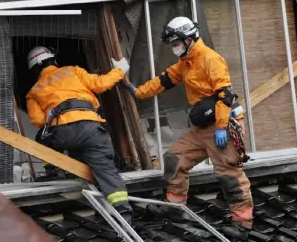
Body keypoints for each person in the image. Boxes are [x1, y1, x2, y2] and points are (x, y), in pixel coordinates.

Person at [115, 16, 253, 237]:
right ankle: (175, 209)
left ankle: (242, 226)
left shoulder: (210, 59)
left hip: (222, 124)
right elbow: (164, 80)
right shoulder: (185, 63)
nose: (173, 48)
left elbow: (225, 95)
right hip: (202, 128)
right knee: (174, 159)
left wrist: (220, 127)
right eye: (171, 44)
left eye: (175, 43)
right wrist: (137, 91)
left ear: (188, 39)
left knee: (229, 175)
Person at [26, 46, 133, 224]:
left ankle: (54, 170)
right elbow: (101, 84)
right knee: (105, 170)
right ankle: (124, 218)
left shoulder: (34, 91)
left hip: (62, 134)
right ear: (53, 60)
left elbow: (38, 121)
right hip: (90, 129)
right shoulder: (73, 70)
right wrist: (120, 70)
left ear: (35, 68)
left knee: (42, 137)